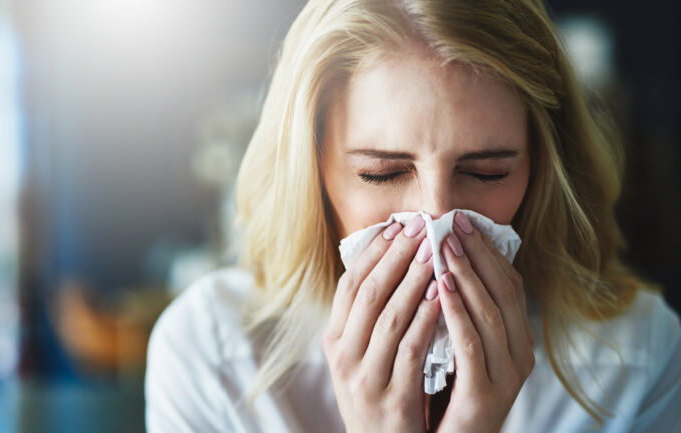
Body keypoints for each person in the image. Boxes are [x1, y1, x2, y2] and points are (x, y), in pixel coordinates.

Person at [145, 0, 681, 431]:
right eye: (382, 173)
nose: (437, 219)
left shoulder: (634, 361)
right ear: (312, 175)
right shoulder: (214, 357)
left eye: (488, 172)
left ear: (540, 172)